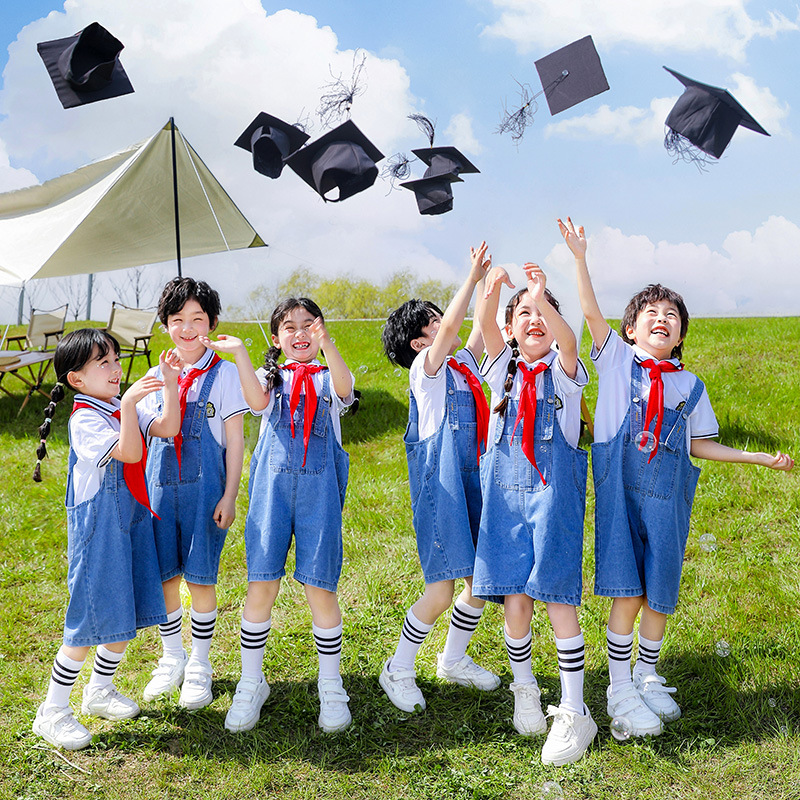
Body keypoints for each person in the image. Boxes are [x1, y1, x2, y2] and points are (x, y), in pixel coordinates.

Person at [560, 216, 794, 738]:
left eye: (672, 315)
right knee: (628, 590)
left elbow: (697, 444)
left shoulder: (690, 384)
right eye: (650, 313)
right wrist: (580, 258)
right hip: (622, 498)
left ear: (682, 332)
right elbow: (591, 313)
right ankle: (619, 686)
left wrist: (758, 459)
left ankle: (646, 674)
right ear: (631, 328)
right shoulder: (618, 363)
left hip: (667, 500)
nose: (661, 319)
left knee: (659, 593)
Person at [204, 298, 355, 733]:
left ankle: (331, 684)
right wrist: (241, 354)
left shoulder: (329, 378)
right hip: (272, 495)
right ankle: (252, 681)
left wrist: (329, 347)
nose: (301, 332)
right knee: (261, 583)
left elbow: (345, 390)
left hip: (320, 496)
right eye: (290, 327)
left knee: (320, 587)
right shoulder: (272, 382)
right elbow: (254, 401)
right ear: (277, 339)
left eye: (310, 325)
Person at [31, 328, 180, 750]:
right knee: (87, 623)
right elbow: (131, 454)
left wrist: (168, 383)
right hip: (98, 533)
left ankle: (99, 689)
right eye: (104, 363)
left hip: (128, 524)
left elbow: (167, 426)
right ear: (77, 379)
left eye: (117, 360)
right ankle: (53, 710)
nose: (116, 369)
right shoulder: (86, 419)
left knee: (122, 612)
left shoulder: (115, 405)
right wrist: (132, 403)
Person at [472, 260, 596, 765]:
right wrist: (492, 287)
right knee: (515, 598)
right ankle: (524, 688)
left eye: (542, 312)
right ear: (509, 328)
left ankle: (573, 709)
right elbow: (483, 326)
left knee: (558, 600)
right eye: (522, 313)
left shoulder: (565, 378)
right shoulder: (502, 371)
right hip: (504, 501)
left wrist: (541, 295)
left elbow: (569, 342)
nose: (534, 320)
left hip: (553, 502)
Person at [379, 242, 500, 714]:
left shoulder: (463, 364)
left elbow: (472, 330)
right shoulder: (424, 372)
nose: (442, 325)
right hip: (441, 489)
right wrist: (470, 278)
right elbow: (454, 326)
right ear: (419, 343)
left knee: (481, 583)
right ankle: (399, 667)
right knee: (442, 588)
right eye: (433, 322)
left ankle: (452, 659)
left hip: (476, 482)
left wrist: (491, 286)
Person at [140, 278, 248, 710]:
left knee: (201, 577)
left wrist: (230, 495)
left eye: (197, 319)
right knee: (166, 576)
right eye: (177, 319)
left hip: (206, 492)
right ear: (165, 324)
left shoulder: (224, 375)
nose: (187, 328)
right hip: (160, 490)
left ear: (213, 323)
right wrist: (166, 382)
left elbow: (235, 440)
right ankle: (172, 657)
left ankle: (200, 663)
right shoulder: (152, 376)